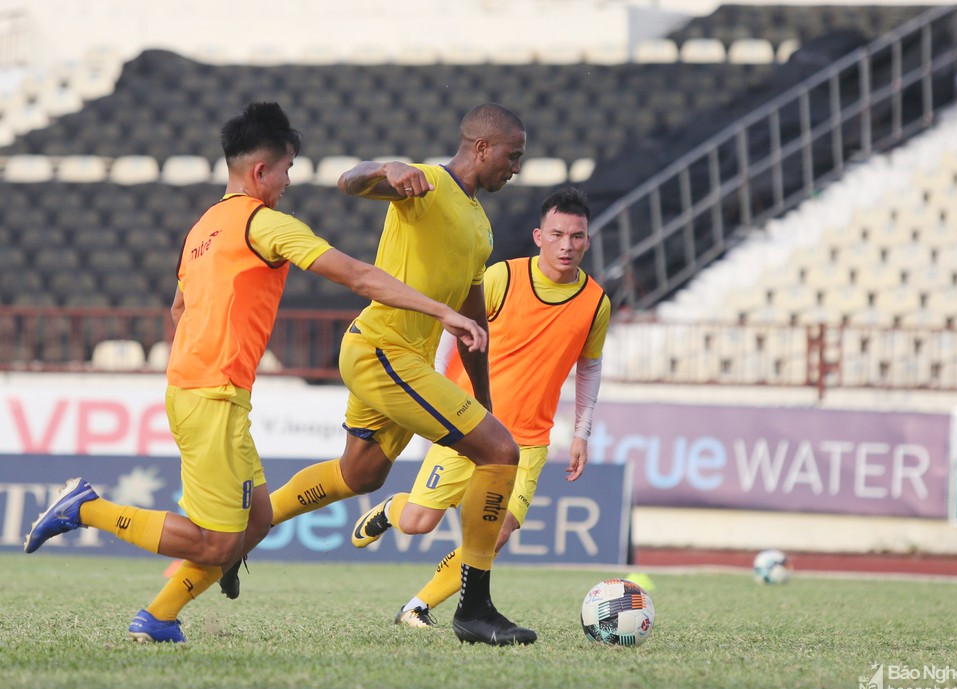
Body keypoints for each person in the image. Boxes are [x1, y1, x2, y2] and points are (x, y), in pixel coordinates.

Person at [22, 102, 487, 644]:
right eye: (287, 168)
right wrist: (443, 311)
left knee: (257, 521)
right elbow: (359, 275)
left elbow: (179, 309)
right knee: (216, 543)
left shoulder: (203, 227)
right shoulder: (263, 224)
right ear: (262, 170)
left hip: (208, 388)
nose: (289, 181)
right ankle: (89, 508)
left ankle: (159, 617)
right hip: (210, 394)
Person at [226, 102, 534, 646]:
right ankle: (475, 608)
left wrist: (483, 399)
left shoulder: (481, 228)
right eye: (513, 155)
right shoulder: (424, 186)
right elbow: (350, 181)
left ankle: (241, 534)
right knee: (500, 453)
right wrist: (386, 167)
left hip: (399, 360)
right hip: (382, 350)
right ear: (482, 147)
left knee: (360, 475)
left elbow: (472, 318)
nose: (516, 167)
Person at [350, 187, 610, 628]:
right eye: (558, 234)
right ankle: (394, 508)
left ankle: (417, 607)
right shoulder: (502, 277)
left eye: (577, 236)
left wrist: (582, 432)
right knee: (418, 522)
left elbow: (590, 368)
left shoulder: (595, 302)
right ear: (538, 236)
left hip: (526, 441)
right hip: (469, 427)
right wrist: (432, 394)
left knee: (498, 531)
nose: (567, 245)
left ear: (587, 240)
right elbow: (452, 331)